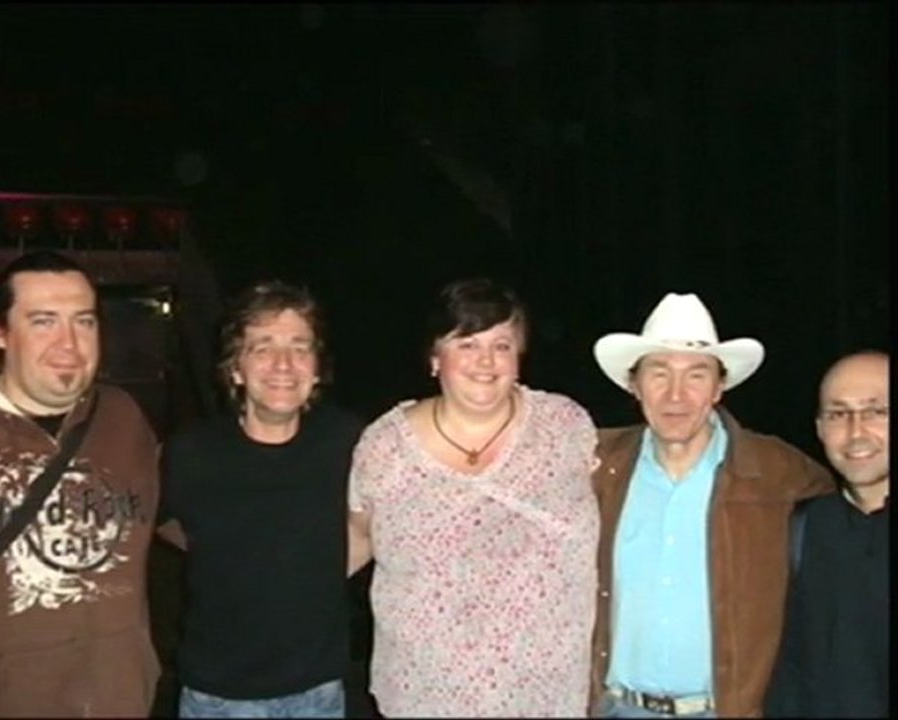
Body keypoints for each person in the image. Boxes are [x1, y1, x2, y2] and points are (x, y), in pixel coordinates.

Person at [347, 278, 600, 718]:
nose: (486, 361)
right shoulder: (385, 445)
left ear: (519, 358)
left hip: (543, 695)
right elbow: (356, 538)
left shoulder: (565, 428)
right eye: (466, 343)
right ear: (434, 359)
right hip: (424, 695)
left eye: (502, 345)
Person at [588, 292, 835, 718]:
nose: (676, 395)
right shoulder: (594, 466)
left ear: (720, 387)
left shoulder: (779, 473)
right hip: (615, 708)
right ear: (634, 384)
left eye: (696, 375)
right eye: (659, 373)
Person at [0, 250, 161, 718]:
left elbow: (176, 514)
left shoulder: (122, 416)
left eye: (83, 322)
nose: (69, 344)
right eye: (44, 321)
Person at [157, 281, 363, 718]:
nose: (283, 364)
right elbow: (161, 523)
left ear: (316, 367)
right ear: (235, 368)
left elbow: (381, 521)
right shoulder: (190, 453)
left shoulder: (349, 442)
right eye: (263, 347)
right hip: (218, 696)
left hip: (319, 692)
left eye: (299, 347)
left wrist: (315, 568)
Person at [764, 350, 889, 718]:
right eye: (838, 414)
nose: (856, 432)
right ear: (820, 428)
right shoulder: (806, 527)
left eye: (876, 411)